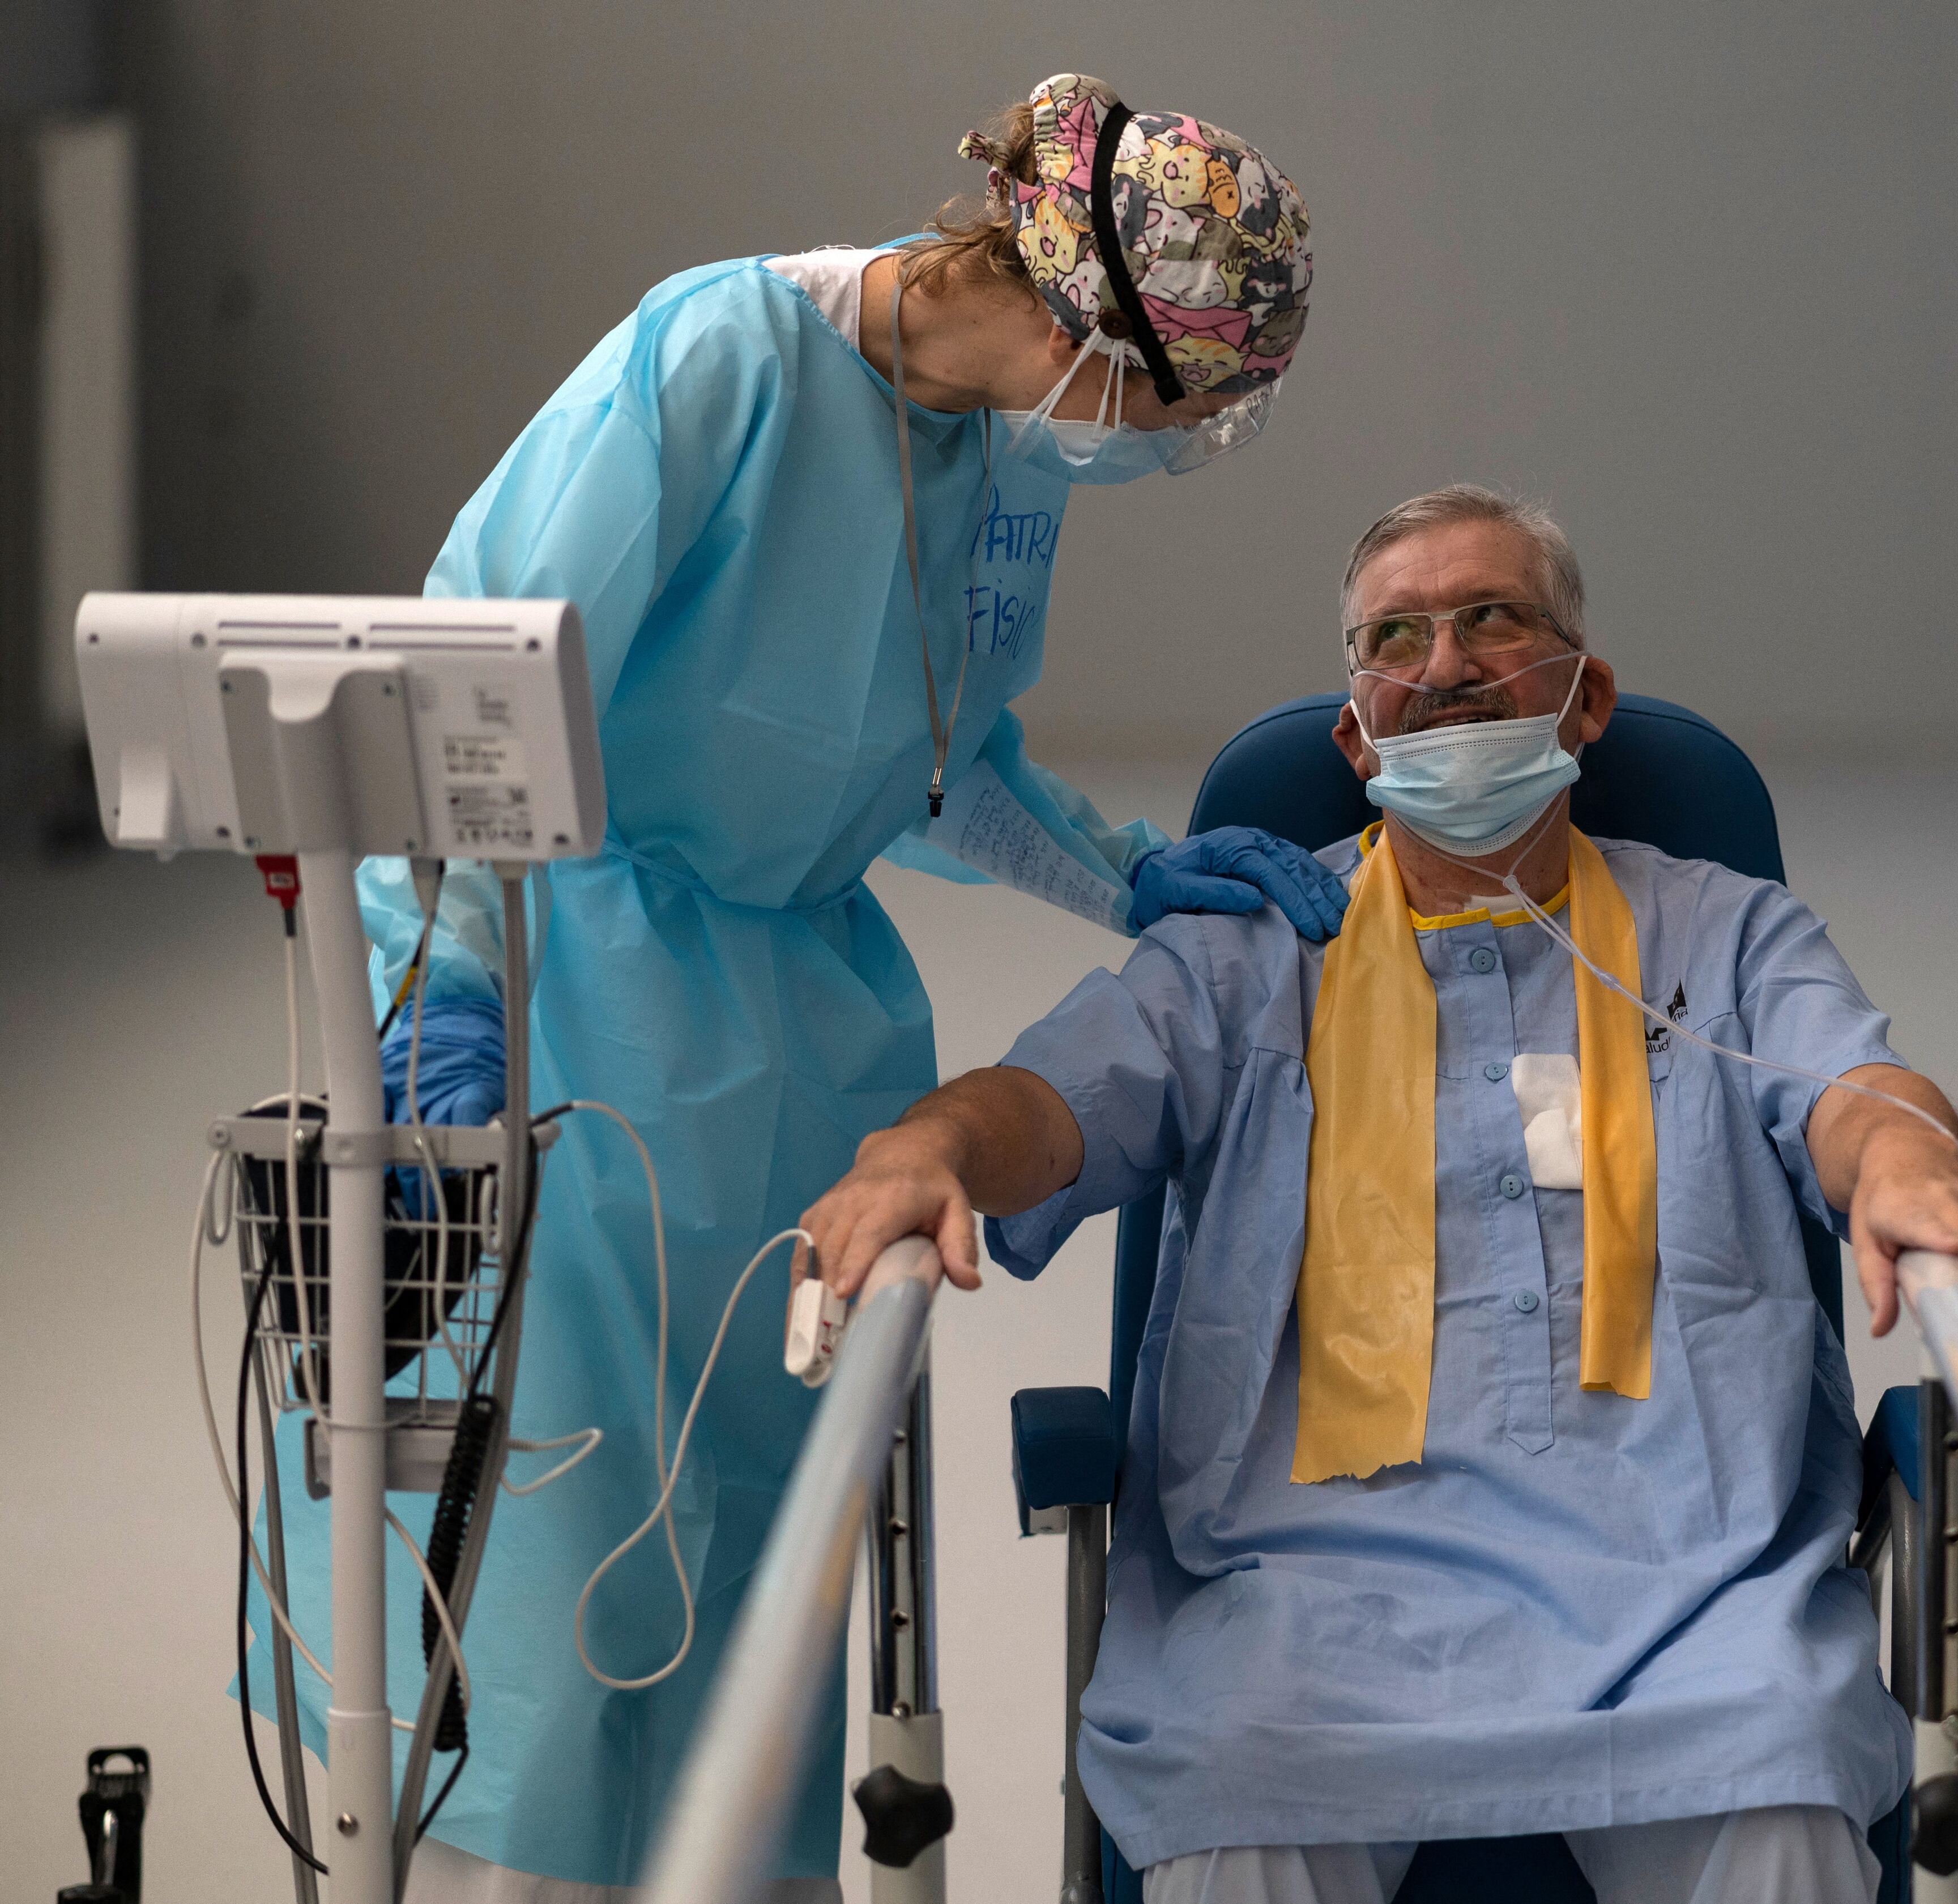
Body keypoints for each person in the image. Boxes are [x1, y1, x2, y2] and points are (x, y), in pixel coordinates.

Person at [242, 74, 1349, 1900]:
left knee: (755, 1557)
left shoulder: (1001, 447)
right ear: (1092, 318)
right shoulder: (715, 366)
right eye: (1188, 404)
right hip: (568, 1013)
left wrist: (1128, 877)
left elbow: (943, 753)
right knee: (549, 1536)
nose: (1170, 443)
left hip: (797, 1052)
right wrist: (440, 988)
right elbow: (458, 692)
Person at [801, 485, 1958, 1904]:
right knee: (1236, 1817)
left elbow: (1849, 1087)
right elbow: (1053, 1103)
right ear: (1355, 729)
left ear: (1585, 697)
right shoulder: (1248, 955)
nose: (1441, 666)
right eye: (1395, 639)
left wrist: (1912, 1162)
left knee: (1785, 1810)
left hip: (1695, 1588)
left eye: (1491, 619)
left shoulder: (1721, 933)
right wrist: (929, 1146)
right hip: (1300, 1601)